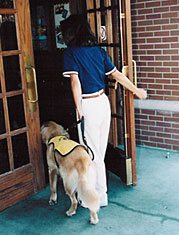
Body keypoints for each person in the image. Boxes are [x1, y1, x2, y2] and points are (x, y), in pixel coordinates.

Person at [61, 15, 147, 207]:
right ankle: (101, 195)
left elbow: (75, 83)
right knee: (98, 152)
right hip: (103, 103)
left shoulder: (70, 53)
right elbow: (117, 75)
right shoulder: (99, 51)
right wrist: (137, 91)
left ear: (71, 32)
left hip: (88, 105)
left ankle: (95, 197)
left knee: (92, 154)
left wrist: (79, 110)